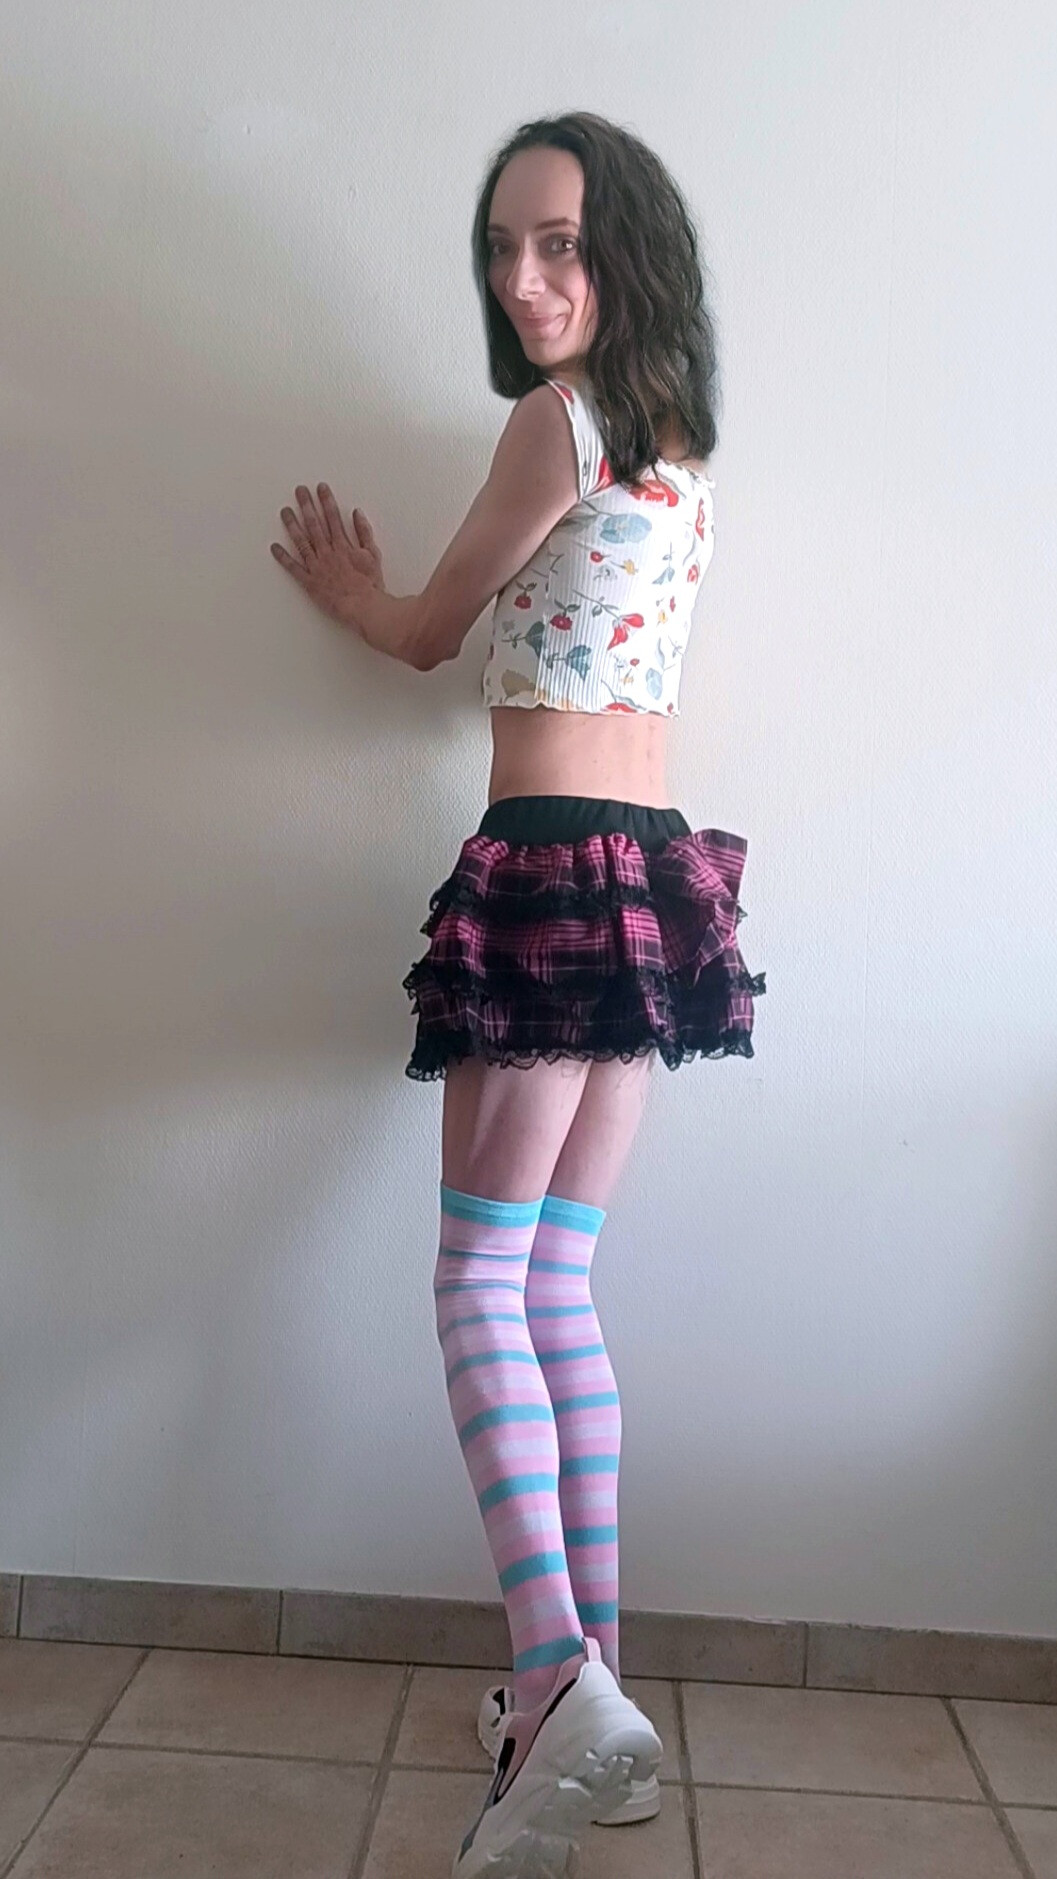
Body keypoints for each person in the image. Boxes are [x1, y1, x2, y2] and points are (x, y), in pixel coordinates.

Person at [271, 108, 766, 1879]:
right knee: (554, 1279)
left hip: (554, 857)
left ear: (627, 248)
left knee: (479, 1277)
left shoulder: (556, 420)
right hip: (651, 872)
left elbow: (428, 634)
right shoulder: (678, 438)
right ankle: (589, 1712)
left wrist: (358, 594)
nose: (524, 278)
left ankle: (556, 1685)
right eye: (502, 247)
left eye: (558, 241)